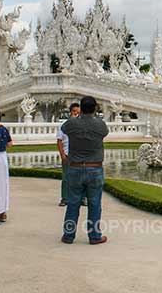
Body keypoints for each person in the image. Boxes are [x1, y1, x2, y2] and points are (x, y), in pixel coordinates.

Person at [60, 96, 109, 245]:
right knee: (94, 203)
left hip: (75, 168)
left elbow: (64, 129)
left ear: (80, 108)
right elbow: (105, 133)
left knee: (73, 202)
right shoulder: (100, 125)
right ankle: (94, 236)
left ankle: (69, 235)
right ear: (94, 108)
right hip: (94, 168)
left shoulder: (72, 123)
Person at [57, 102, 80, 206]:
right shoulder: (64, 125)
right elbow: (59, 141)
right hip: (67, 154)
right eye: (75, 111)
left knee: (81, 178)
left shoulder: (82, 125)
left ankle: (82, 198)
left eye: (79, 112)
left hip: (79, 155)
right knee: (66, 178)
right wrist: (62, 154)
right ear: (71, 112)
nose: (76, 114)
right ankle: (65, 198)